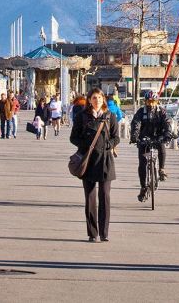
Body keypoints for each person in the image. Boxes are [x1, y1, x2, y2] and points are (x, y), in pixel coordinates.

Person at [70, 87, 119, 242]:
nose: (97, 100)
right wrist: (86, 145)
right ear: (89, 100)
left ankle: (104, 233)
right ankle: (92, 233)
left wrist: (107, 145)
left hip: (105, 160)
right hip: (88, 160)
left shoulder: (110, 116)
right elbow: (73, 138)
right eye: (94, 98)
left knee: (105, 196)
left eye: (99, 97)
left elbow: (116, 137)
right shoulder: (82, 116)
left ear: (103, 99)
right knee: (90, 197)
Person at [129, 90, 173, 202]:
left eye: (153, 101)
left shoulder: (161, 111)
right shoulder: (141, 112)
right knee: (142, 163)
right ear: (145, 102)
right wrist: (135, 137)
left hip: (158, 136)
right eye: (149, 101)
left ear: (157, 101)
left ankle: (161, 169)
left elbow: (167, 122)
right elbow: (136, 124)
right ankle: (143, 187)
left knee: (162, 147)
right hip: (144, 138)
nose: (151, 104)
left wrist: (167, 133)